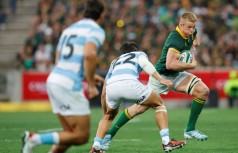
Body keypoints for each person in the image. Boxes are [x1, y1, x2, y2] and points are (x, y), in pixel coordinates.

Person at [101, 11, 209, 151]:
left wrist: (194, 44)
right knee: (139, 108)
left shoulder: (191, 32)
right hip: (162, 76)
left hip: (176, 75)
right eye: (189, 27)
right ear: (180, 25)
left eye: (193, 27)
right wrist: (191, 65)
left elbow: (195, 39)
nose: (192, 30)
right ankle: (109, 135)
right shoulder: (174, 39)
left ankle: (190, 130)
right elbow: (170, 64)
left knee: (203, 91)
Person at [21, 0, 106, 153]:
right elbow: (89, 55)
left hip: (53, 79)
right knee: (81, 136)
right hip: (68, 85)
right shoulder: (96, 30)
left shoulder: (69, 29)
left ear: (84, 13)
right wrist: (91, 86)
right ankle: (34, 138)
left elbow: (59, 59)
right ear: (102, 15)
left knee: (69, 134)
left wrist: (90, 78)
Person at [90, 42, 186, 153]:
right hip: (130, 84)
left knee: (108, 117)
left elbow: (103, 92)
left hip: (112, 87)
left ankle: (96, 146)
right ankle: (166, 142)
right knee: (158, 104)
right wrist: (161, 80)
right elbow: (145, 64)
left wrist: (106, 113)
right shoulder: (139, 54)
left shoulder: (114, 62)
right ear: (135, 50)